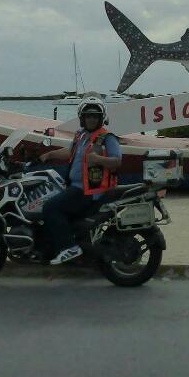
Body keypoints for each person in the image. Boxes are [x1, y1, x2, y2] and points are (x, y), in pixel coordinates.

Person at [39, 96, 124, 264]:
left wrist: (99, 160)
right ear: (82, 118)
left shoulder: (107, 138)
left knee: (50, 208)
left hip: (89, 191)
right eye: (88, 116)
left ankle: (67, 247)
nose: (91, 119)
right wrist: (49, 154)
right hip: (77, 187)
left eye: (94, 116)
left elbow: (117, 161)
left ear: (101, 118)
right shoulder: (81, 136)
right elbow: (70, 152)